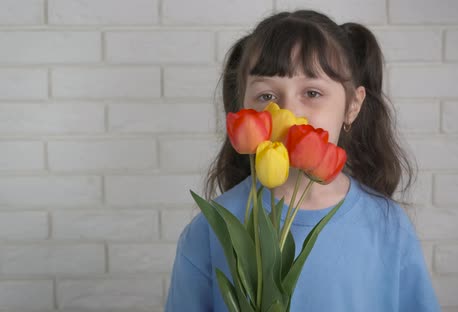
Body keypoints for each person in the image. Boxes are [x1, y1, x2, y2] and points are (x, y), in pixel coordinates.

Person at [165, 10, 440, 312]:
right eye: (267, 96)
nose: (288, 112)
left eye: (312, 92)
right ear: (241, 104)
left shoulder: (388, 226)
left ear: (352, 106)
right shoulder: (209, 230)